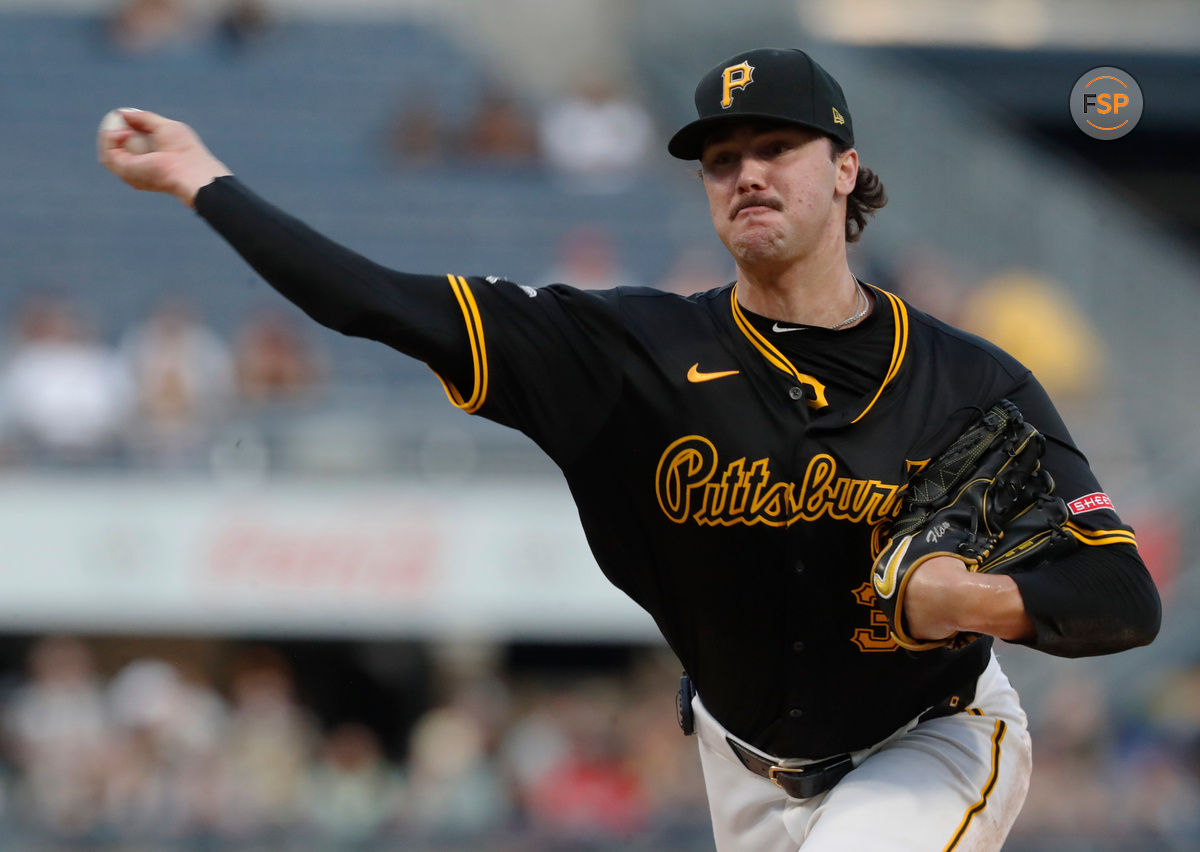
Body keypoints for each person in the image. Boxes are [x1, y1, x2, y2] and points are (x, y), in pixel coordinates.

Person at [98, 47, 1161, 851]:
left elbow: (1122, 594)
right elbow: (379, 301)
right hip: (739, 764)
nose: (744, 173)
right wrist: (203, 178)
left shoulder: (965, 381)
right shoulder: (625, 352)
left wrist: (966, 600)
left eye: (775, 149)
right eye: (721, 159)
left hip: (930, 735)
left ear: (845, 171)